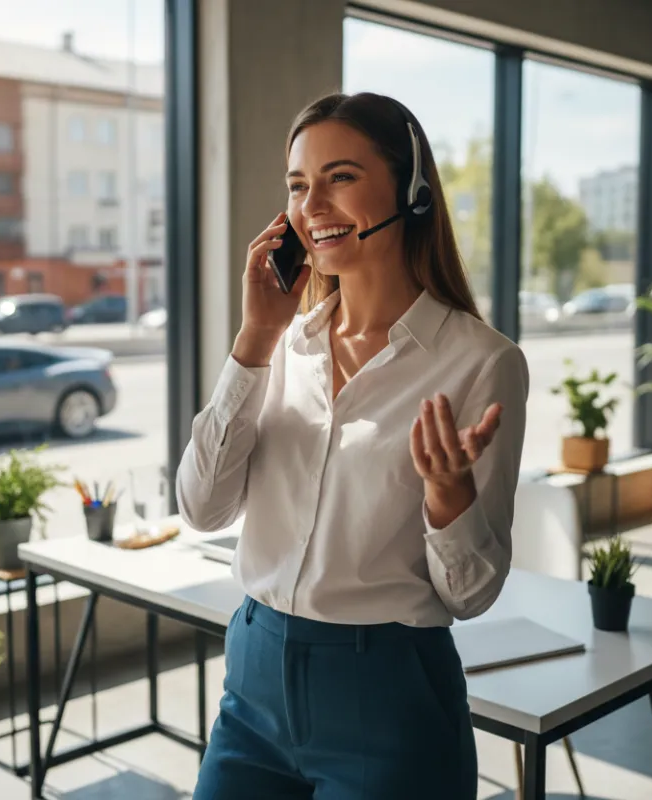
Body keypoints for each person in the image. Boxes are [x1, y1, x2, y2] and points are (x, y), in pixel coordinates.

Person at [177, 91, 529, 799]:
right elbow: (202, 508)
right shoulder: (280, 344)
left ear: (411, 188)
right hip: (253, 683)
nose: (313, 206)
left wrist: (449, 497)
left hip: (387, 697)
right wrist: (254, 339)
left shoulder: (481, 362)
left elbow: (472, 595)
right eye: (299, 185)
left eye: (339, 177)